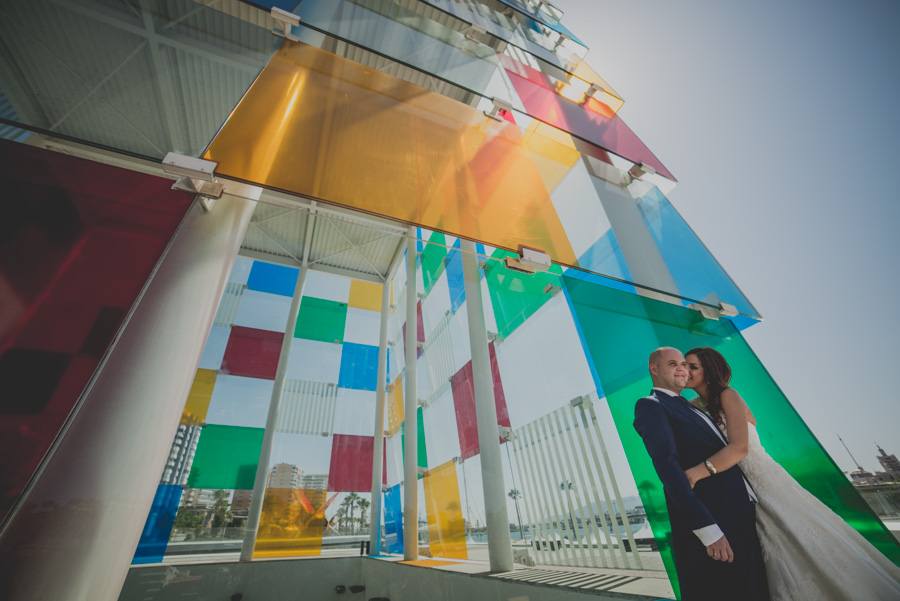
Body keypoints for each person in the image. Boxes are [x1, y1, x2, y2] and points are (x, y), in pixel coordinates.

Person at [682, 346, 900, 601]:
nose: (685, 370)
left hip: (765, 480)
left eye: (692, 366)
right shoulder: (691, 406)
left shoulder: (729, 396)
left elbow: (740, 447)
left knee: (802, 537)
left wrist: (699, 472)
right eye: (684, 365)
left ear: (709, 371)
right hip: (737, 486)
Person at [634, 347, 769, 601]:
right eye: (673, 364)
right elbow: (669, 468)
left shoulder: (696, 405)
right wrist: (707, 529)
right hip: (712, 516)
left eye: (684, 364)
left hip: (738, 507)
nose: (682, 368)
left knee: (751, 587)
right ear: (654, 369)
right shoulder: (650, 405)